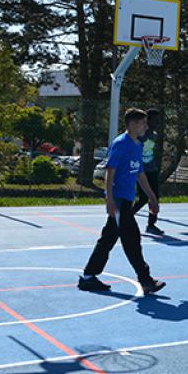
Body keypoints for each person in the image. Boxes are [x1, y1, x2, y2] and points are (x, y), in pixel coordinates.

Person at [78, 108, 166, 294]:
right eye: (142, 123)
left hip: (125, 200)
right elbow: (110, 172)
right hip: (118, 201)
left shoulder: (137, 145)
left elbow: (140, 174)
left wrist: (152, 198)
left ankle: (88, 277)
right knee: (132, 239)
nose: (145, 126)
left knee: (108, 239)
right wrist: (109, 200)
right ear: (132, 124)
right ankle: (146, 280)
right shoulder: (121, 143)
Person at [131, 108, 164, 236]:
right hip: (141, 172)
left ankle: (151, 224)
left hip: (152, 170)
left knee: (155, 198)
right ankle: (127, 217)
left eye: (158, 120)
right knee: (144, 198)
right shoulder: (140, 135)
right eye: (155, 120)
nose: (157, 123)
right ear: (147, 121)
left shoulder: (154, 135)